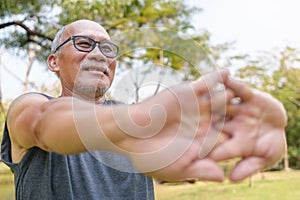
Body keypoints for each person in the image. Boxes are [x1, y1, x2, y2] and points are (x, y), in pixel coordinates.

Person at [0, 19, 287, 200]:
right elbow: (44, 124)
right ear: (54, 62)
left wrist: (248, 133)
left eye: (108, 49)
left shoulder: (139, 120)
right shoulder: (29, 106)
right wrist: (135, 121)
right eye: (84, 44)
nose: (99, 54)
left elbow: (193, 147)